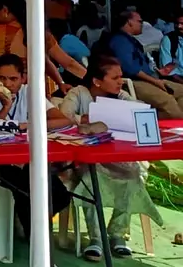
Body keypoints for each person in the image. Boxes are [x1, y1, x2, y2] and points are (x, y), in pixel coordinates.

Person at [60, 56, 165, 260]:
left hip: (118, 158)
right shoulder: (78, 93)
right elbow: (62, 117)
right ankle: (96, 237)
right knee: (91, 179)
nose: (120, 81)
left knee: (134, 175)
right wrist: (84, 119)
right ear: (97, 81)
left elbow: (141, 114)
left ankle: (117, 233)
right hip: (85, 159)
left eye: (121, 77)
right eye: (115, 77)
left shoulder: (122, 96)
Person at [105, 9, 183, 118]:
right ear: (129, 22)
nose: (142, 24)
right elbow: (131, 68)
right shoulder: (120, 41)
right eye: (140, 21)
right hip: (136, 82)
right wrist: (155, 81)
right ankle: (144, 118)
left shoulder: (131, 40)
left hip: (151, 79)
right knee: (169, 102)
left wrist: (157, 72)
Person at [0, 54, 72, 129]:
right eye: (2, 78)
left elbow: (65, 121)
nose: (7, 84)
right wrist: (6, 107)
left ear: (23, 79)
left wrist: (27, 126)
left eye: (13, 79)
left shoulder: (28, 91)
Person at [159, 10, 183, 85]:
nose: (179, 26)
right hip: (177, 80)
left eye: (182, 24)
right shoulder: (168, 40)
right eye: (177, 23)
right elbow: (167, 71)